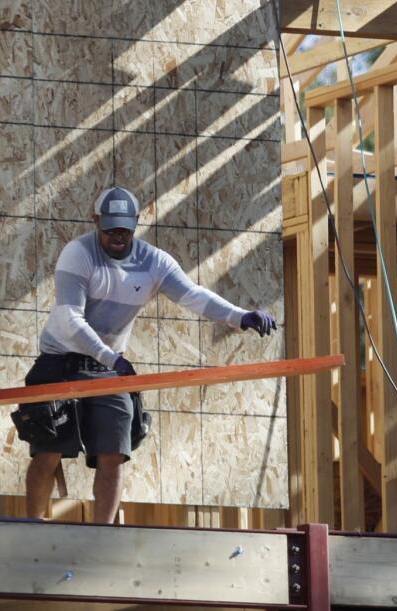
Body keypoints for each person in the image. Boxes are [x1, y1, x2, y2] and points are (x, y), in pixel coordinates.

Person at [14, 186, 276, 523]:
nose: (118, 236)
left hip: (106, 369)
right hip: (60, 361)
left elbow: (193, 295)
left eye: (125, 229)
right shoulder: (78, 254)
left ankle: (102, 533)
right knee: (48, 448)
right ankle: (33, 525)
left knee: (114, 451)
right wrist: (112, 358)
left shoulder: (154, 261)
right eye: (110, 229)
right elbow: (69, 318)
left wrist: (240, 316)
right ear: (96, 222)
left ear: (136, 223)